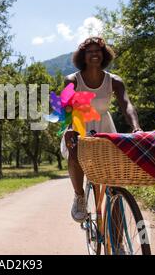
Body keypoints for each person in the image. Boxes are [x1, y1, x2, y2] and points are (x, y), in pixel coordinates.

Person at [61, 36, 142, 223]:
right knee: (74, 151)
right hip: (79, 124)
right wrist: (72, 127)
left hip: (105, 127)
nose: (94, 54)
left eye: (97, 50)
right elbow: (67, 108)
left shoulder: (114, 81)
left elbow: (127, 105)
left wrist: (136, 128)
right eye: (89, 51)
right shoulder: (72, 80)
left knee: (114, 183)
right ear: (83, 56)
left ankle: (118, 243)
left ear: (104, 54)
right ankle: (79, 196)